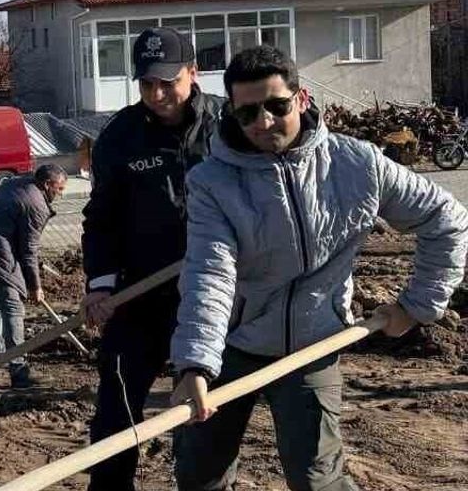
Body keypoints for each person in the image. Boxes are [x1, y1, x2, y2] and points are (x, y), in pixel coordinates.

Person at [170, 45, 468, 491]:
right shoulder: (212, 183)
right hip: (233, 345)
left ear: (302, 99)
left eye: (276, 105)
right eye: (247, 113)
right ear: (232, 114)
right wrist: (195, 364)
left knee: (317, 481)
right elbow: (210, 274)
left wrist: (418, 305)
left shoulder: (358, 165)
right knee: (200, 474)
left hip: (314, 347)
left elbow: (446, 219)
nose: (264, 122)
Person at [79, 27, 223, 490]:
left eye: (168, 81)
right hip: (139, 294)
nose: (157, 94)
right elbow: (101, 220)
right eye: (146, 84)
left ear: (193, 73)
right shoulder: (120, 137)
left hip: (212, 295)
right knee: (116, 410)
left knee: (203, 412)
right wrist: (101, 284)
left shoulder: (228, 126)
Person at [0, 164, 67, 388]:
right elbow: (29, 250)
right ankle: (19, 372)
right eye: (59, 189)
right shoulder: (36, 204)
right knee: (13, 307)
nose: (61, 193)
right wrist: (34, 286)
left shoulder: (15, 183)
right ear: (47, 185)